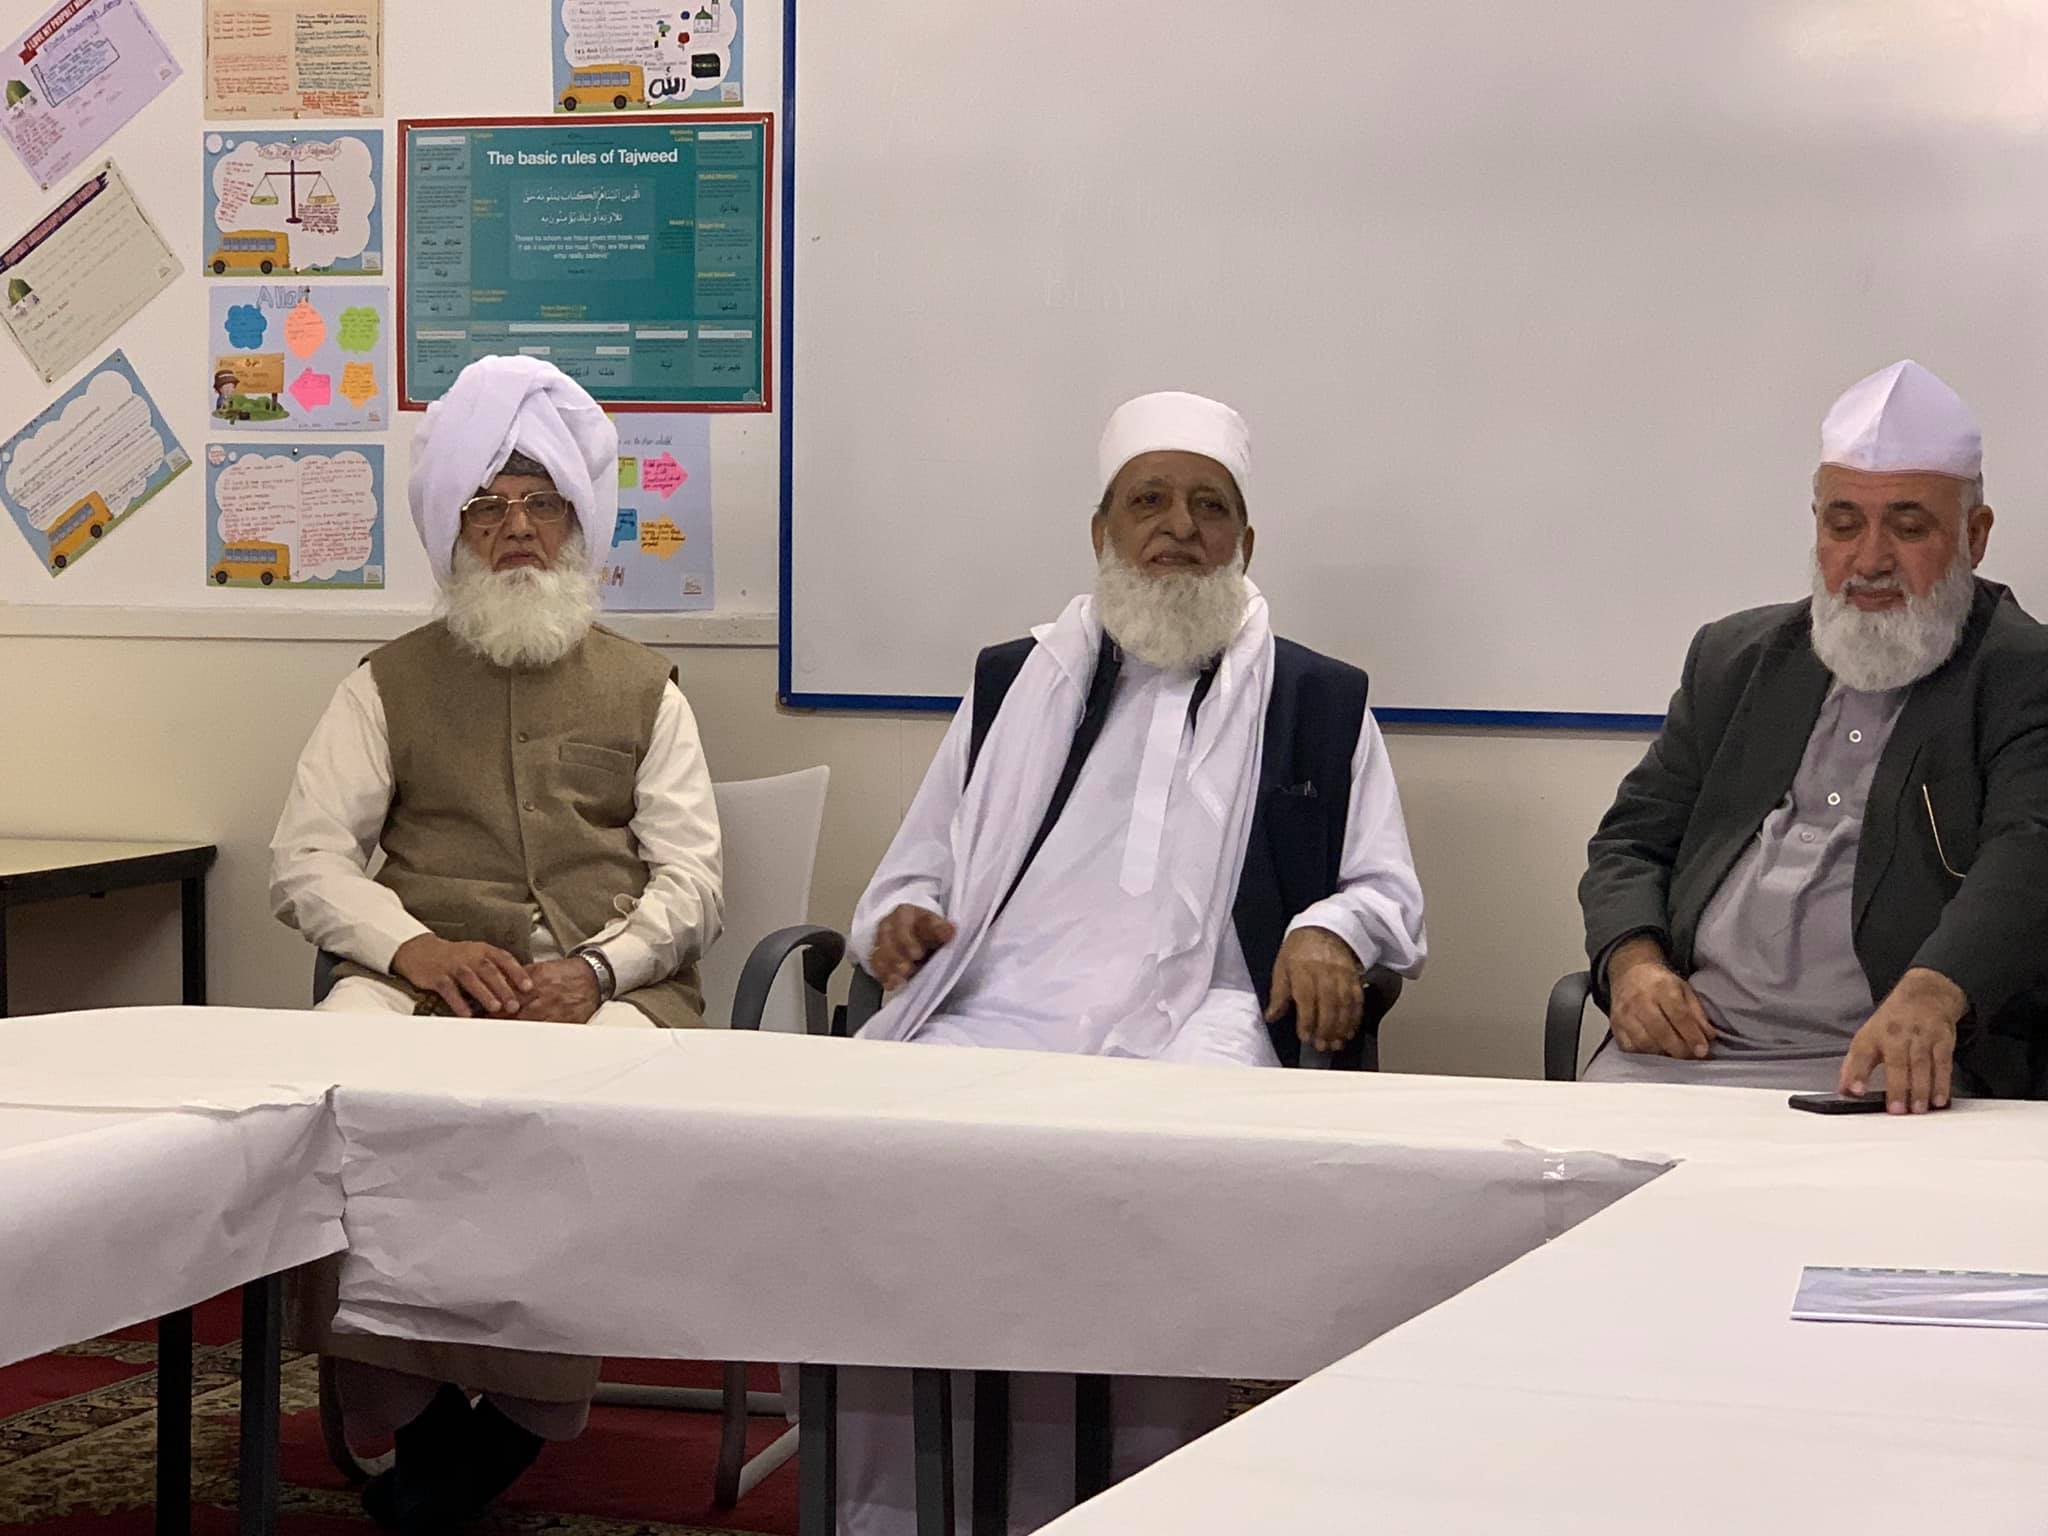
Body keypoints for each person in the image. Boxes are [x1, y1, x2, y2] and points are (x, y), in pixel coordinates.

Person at [838, 389, 1427, 1533]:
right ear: (1100, 531)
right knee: (876, 1154)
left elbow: (1385, 890)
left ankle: (1132, 1507)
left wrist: (1328, 928)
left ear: (1245, 542)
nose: (1178, 528)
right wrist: (904, 919)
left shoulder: (1316, 698)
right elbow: (915, 871)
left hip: (1203, 1018)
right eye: (1147, 501)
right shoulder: (1014, 681)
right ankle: (897, 1508)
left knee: (1156, 1172)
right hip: (997, 1007)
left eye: (1209, 507)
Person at [268, 354, 723, 1532]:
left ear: (577, 525)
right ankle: (413, 1416)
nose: (515, 527)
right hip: (421, 980)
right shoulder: (384, 685)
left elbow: (691, 883)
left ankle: (520, 1418)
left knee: (581, 1113)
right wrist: (411, 950)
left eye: (540, 504)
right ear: (453, 530)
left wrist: (598, 969)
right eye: (486, 504)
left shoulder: (648, 687)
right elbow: (307, 859)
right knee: (338, 1087)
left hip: (600, 987)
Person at [1580, 359, 2048, 1111]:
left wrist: (1935, 992)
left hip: (1882, 1069)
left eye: (1909, 527)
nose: (1870, 559)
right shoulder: (1735, 659)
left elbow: (2029, 853)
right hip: (1683, 1055)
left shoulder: (2022, 673)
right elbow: (1632, 841)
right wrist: (1632, 962)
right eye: (1843, 524)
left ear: (1975, 535)